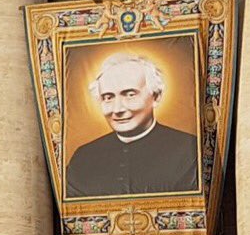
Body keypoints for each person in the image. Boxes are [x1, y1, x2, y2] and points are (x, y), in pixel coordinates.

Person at [66, 53, 198, 198]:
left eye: (130, 95)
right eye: (108, 97)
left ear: (156, 96)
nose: (117, 109)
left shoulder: (190, 150)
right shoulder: (83, 157)